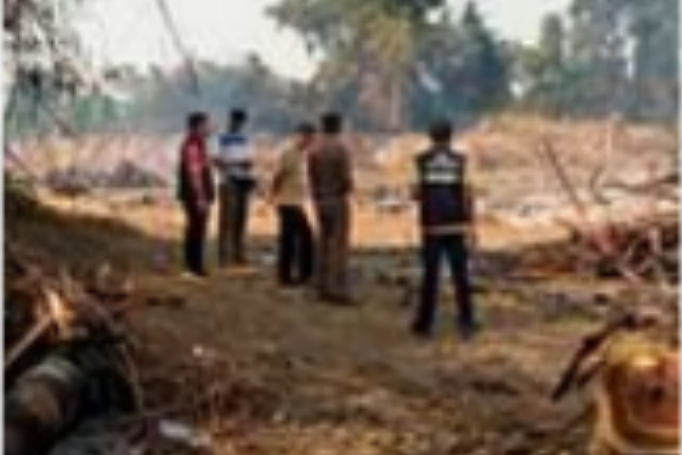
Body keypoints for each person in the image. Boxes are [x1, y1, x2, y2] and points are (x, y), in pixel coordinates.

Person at [411, 119, 479, 339]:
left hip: (431, 227)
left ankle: (424, 324)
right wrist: (472, 226)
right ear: (451, 136)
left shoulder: (420, 161)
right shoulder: (461, 161)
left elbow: (415, 193)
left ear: (430, 136)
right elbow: (468, 194)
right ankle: (466, 322)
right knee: (461, 277)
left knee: (430, 277)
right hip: (456, 226)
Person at [308, 112, 354, 304]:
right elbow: (346, 180)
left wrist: (318, 195)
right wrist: (346, 189)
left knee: (322, 243)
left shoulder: (314, 149)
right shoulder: (340, 149)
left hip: (320, 200)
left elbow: (311, 177)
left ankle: (320, 285)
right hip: (337, 199)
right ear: (338, 126)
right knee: (338, 245)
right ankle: (336, 289)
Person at [270, 123, 316, 286]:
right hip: (287, 202)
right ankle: (290, 275)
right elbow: (278, 175)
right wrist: (273, 195)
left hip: (296, 201)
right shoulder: (288, 152)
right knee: (298, 238)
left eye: (312, 139)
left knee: (298, 238)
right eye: (309, 138)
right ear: (300, 135)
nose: (310, 142)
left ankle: (297, 274)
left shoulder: (301, 154)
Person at [213, 109, 256, 268]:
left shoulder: (246, 138)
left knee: (241, 219)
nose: (238, 124)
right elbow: (216, 161)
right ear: (230, 120)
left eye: (241, 122)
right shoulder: (221, 137)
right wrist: (237, 164)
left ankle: (238, 254)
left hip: (243, 181)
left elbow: (250, 161)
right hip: (228, 181)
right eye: (236, 121)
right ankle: (223, 256)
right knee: (226, 220)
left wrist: (247, 166)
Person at [177, 112, 215, 278]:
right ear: (198, 126)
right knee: (196, 230)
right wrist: (200, 197)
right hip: (195, 196)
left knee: (196, 229)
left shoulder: (198, 143)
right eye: (206, 125)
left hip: (194, 195)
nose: (209, 128)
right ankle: (194, 267)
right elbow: (195, 174)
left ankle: (193, 265)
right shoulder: (193, 145)